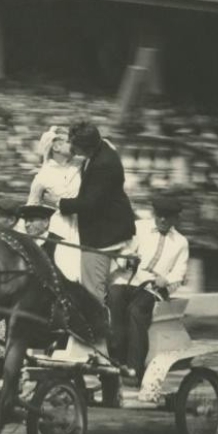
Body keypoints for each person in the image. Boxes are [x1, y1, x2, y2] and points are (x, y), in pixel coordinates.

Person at [43, 121, 136, 302]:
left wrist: (58, 202)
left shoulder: (104, 164)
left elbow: (89, 204)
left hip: (104, 235)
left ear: (87, 148)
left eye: (74, 145)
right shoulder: (103, 147)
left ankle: (98, 326)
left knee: (92, 290)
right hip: (113, 224)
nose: (71, 147)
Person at [106, 195, 189, 387]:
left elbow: (180, 272)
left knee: (137, 310)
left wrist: (166, 279)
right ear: (154, 214)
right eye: (160, 215)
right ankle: (116, 361)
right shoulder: (140, 228)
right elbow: (122, 250)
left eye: (168, 217)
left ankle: (134, 369)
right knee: (114, 298)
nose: (162, 220)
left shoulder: (181, 242)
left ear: (175, 219)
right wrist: (127, 259)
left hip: (154, 288)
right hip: (129, 280)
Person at [27, 126, 82, 282]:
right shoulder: (43, 176)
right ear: (56, 146)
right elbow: (31, 208)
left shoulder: (82, 166)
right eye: (70, 141)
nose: (75, 144)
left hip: (86, 228)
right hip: (59, 230)